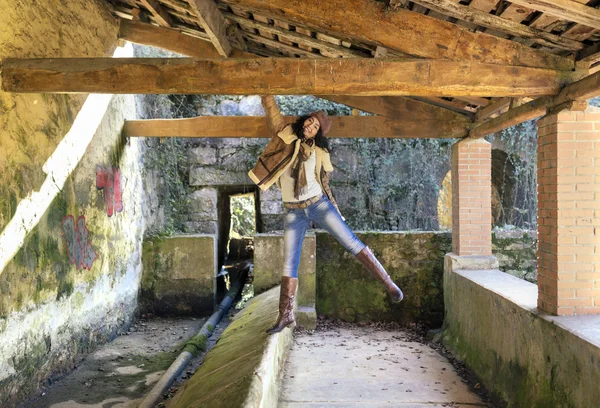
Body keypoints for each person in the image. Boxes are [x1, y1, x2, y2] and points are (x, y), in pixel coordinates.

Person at [248, 96, 404, 334]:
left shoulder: (318, 151)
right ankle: (285, 315)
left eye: (315, 127)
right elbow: (273, 113)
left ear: (318, 133)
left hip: (318, 204)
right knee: (290, 261)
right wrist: (266, 96)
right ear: (303, 121)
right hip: (293, 210)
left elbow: (324, 181)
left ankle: (389, 284)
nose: (310, 127)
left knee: (350, 241)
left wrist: (336, 210)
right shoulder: (285, 134)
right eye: (309, 122)